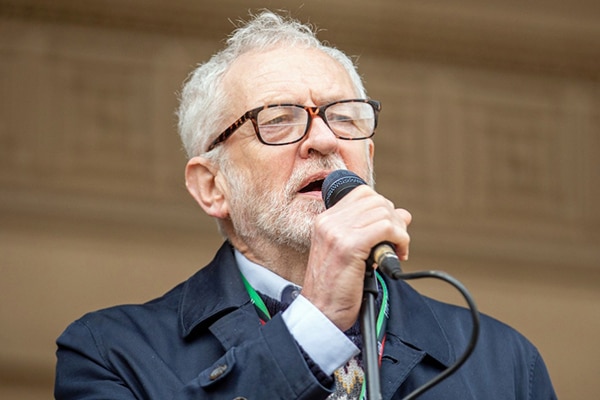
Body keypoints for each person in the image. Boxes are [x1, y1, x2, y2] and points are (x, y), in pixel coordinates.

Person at [54, 10, 557, 400]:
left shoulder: (503, 360)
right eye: (277, 119)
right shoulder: (110, 352)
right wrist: (316, 322)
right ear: (212, 186)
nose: (323, 139)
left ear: (368, 158)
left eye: (344, 117)